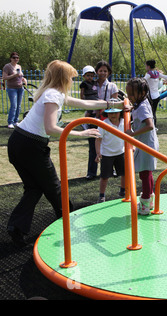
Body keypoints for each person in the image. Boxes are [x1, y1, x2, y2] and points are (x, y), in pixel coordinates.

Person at [6, 60, 127, 247]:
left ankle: (16, 227)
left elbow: (84, 102)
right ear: (63, 78)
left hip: (19, 143)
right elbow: (51, 127)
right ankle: (69, 225)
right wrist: (81, 133)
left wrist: (113, 103)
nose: (72, 81)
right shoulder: (53, 94)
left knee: (34, 188)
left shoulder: (53, 93)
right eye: (70, 78)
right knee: (55, 188)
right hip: (30, 146)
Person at [125, 77, 159, 215]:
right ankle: (149, 200)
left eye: (132, 95)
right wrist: (132, 107)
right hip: (144, 143)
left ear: (143, 92)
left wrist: (132, 134)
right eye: (128, 94)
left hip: (147, 144)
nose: (129, 97)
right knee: (146, 173)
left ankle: (145, 202)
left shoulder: (143, 105)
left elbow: (150, 125)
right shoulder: (140, 103)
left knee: (145, 174)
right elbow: (139, 110)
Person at [84, 61, 119, 180]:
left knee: (109, 144)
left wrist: (104, 106)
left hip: (107, 118)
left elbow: (115, 103)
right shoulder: (91, 84)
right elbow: (84, 98)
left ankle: (111, 169)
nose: (103, 73)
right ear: (96, 72)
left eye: (105, 71)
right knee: (93, 144)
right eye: (100, 70)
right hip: (93, 118)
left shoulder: (112, 86)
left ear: (109, 73)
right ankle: (91, 172)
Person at [95, 108, 126, 203]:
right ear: (106, 114)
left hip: (121, 152)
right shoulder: (104, 124)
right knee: (104, 176)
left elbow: (129, 136)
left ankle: (123, 190)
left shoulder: (124, 122)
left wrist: (131, 147)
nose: (113, 115)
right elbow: (98, 139)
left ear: (120, 113)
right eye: (110, 113)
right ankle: (101, 195)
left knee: (124, 173)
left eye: (116, 113)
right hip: (107, 154)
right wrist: (98, 152)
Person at [144, 59, 167, 126]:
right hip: (157, 96)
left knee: (149, 112)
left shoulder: (148, 74)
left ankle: (150, 126)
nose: (145, 67)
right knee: (153, 112)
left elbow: (143, 80)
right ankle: (154, 126)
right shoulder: (157, 73)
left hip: (151, 96)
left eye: (146, 66)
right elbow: (166, 77)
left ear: (148, 66)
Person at [3, 52, 27, 128]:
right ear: (11, 58)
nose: (16, 59)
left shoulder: (19, 66)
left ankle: (16, 121)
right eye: (14, 57)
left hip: (20, 88)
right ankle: (10, 122)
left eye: (17, 58)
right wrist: (14, 75)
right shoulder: (7, 66)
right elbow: (4, 78)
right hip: (12, 88)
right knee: (14, 105)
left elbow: (20, 77)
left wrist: (24, 79)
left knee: (19, 106)